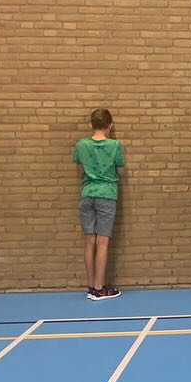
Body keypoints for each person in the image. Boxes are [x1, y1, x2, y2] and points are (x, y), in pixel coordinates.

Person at [72, 108, 125, 301]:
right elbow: (121, 169)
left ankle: (90, 286)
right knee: (103, 242)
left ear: (90, 125)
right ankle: (99, 288)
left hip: (87, 193)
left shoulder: (81, 145)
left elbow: (79, 167)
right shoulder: (114, 145)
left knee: (89, 241)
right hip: (106, 195)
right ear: (110, 125)